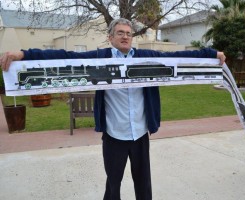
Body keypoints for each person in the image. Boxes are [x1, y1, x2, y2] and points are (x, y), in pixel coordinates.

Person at [0, 18, 226, 200]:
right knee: (113, 185)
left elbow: (177, 57)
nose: (125, 36)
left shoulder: (146, 58)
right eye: (120, 33)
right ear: (110, 37)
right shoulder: (100, 57)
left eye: (128, 33)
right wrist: (24, 54)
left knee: (144, 186)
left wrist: (211, 54)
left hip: (140, 133)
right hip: (114, 135)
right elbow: (65, 56)